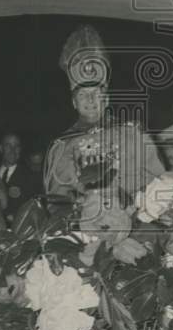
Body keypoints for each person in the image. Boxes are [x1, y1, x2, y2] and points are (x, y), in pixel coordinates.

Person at [43, 27, 164, 209]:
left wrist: (132, 199)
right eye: (83, 94)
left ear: (106, 99)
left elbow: (157, 181)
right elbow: (56, 196)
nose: (91, 100)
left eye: (96, 93)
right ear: (74, 102)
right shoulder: (62, 146)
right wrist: (78, 200)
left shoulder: (132, 133)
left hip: (133, 218)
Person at [0, 131, 37, 223]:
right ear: (0, 148)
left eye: (17, 146)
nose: (13, 150)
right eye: (8, 145)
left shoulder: (30, 177)